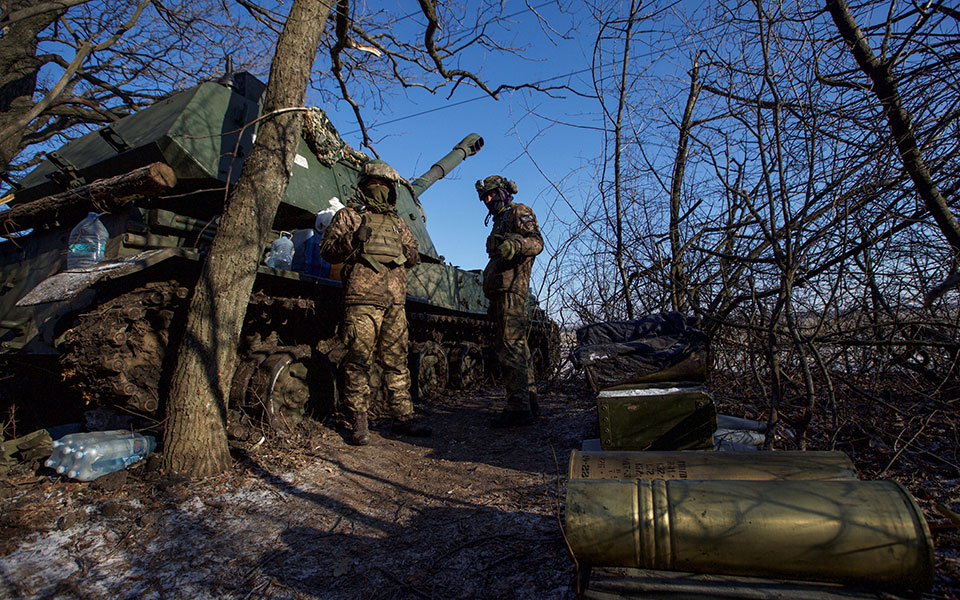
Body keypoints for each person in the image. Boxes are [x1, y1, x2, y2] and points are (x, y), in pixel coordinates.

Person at [320, 160, 432, 445]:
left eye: (384, 185)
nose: (379, 188)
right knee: (358, 361)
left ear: (392, 190)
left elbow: (415, 256)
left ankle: (403, 419)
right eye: (374, 183)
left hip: (394, 301)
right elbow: (328, 251)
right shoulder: (348, 216)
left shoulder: (398, 222)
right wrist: (351, 240)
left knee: (397, 362)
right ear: (364, 185)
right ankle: (359, 421)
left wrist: (405, 251)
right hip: (361, 300)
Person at [477, 175, 543, 428]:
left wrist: (515, 244)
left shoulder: (519, 211)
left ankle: (518, 409)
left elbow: (536, 242)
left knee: (511, 349)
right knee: (518, 348)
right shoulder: (500, 220)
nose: (487, 199)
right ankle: (529, 403)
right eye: (484, 197)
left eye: (491, 194)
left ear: (503, 192)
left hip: (511, 289)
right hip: (502, 290)